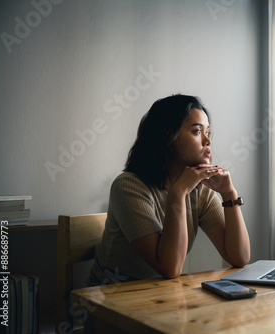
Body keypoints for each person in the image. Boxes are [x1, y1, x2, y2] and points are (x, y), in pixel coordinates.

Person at [88, 94, 250, 285]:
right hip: (110, 299)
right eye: (197, 131)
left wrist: (228, 194)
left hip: (163, 294)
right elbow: (170, 268)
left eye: (208, 132)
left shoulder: (201, 190)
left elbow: (239, 258)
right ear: (169, 138)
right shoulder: (128, 187)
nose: (208, 141)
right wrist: (178, 192)